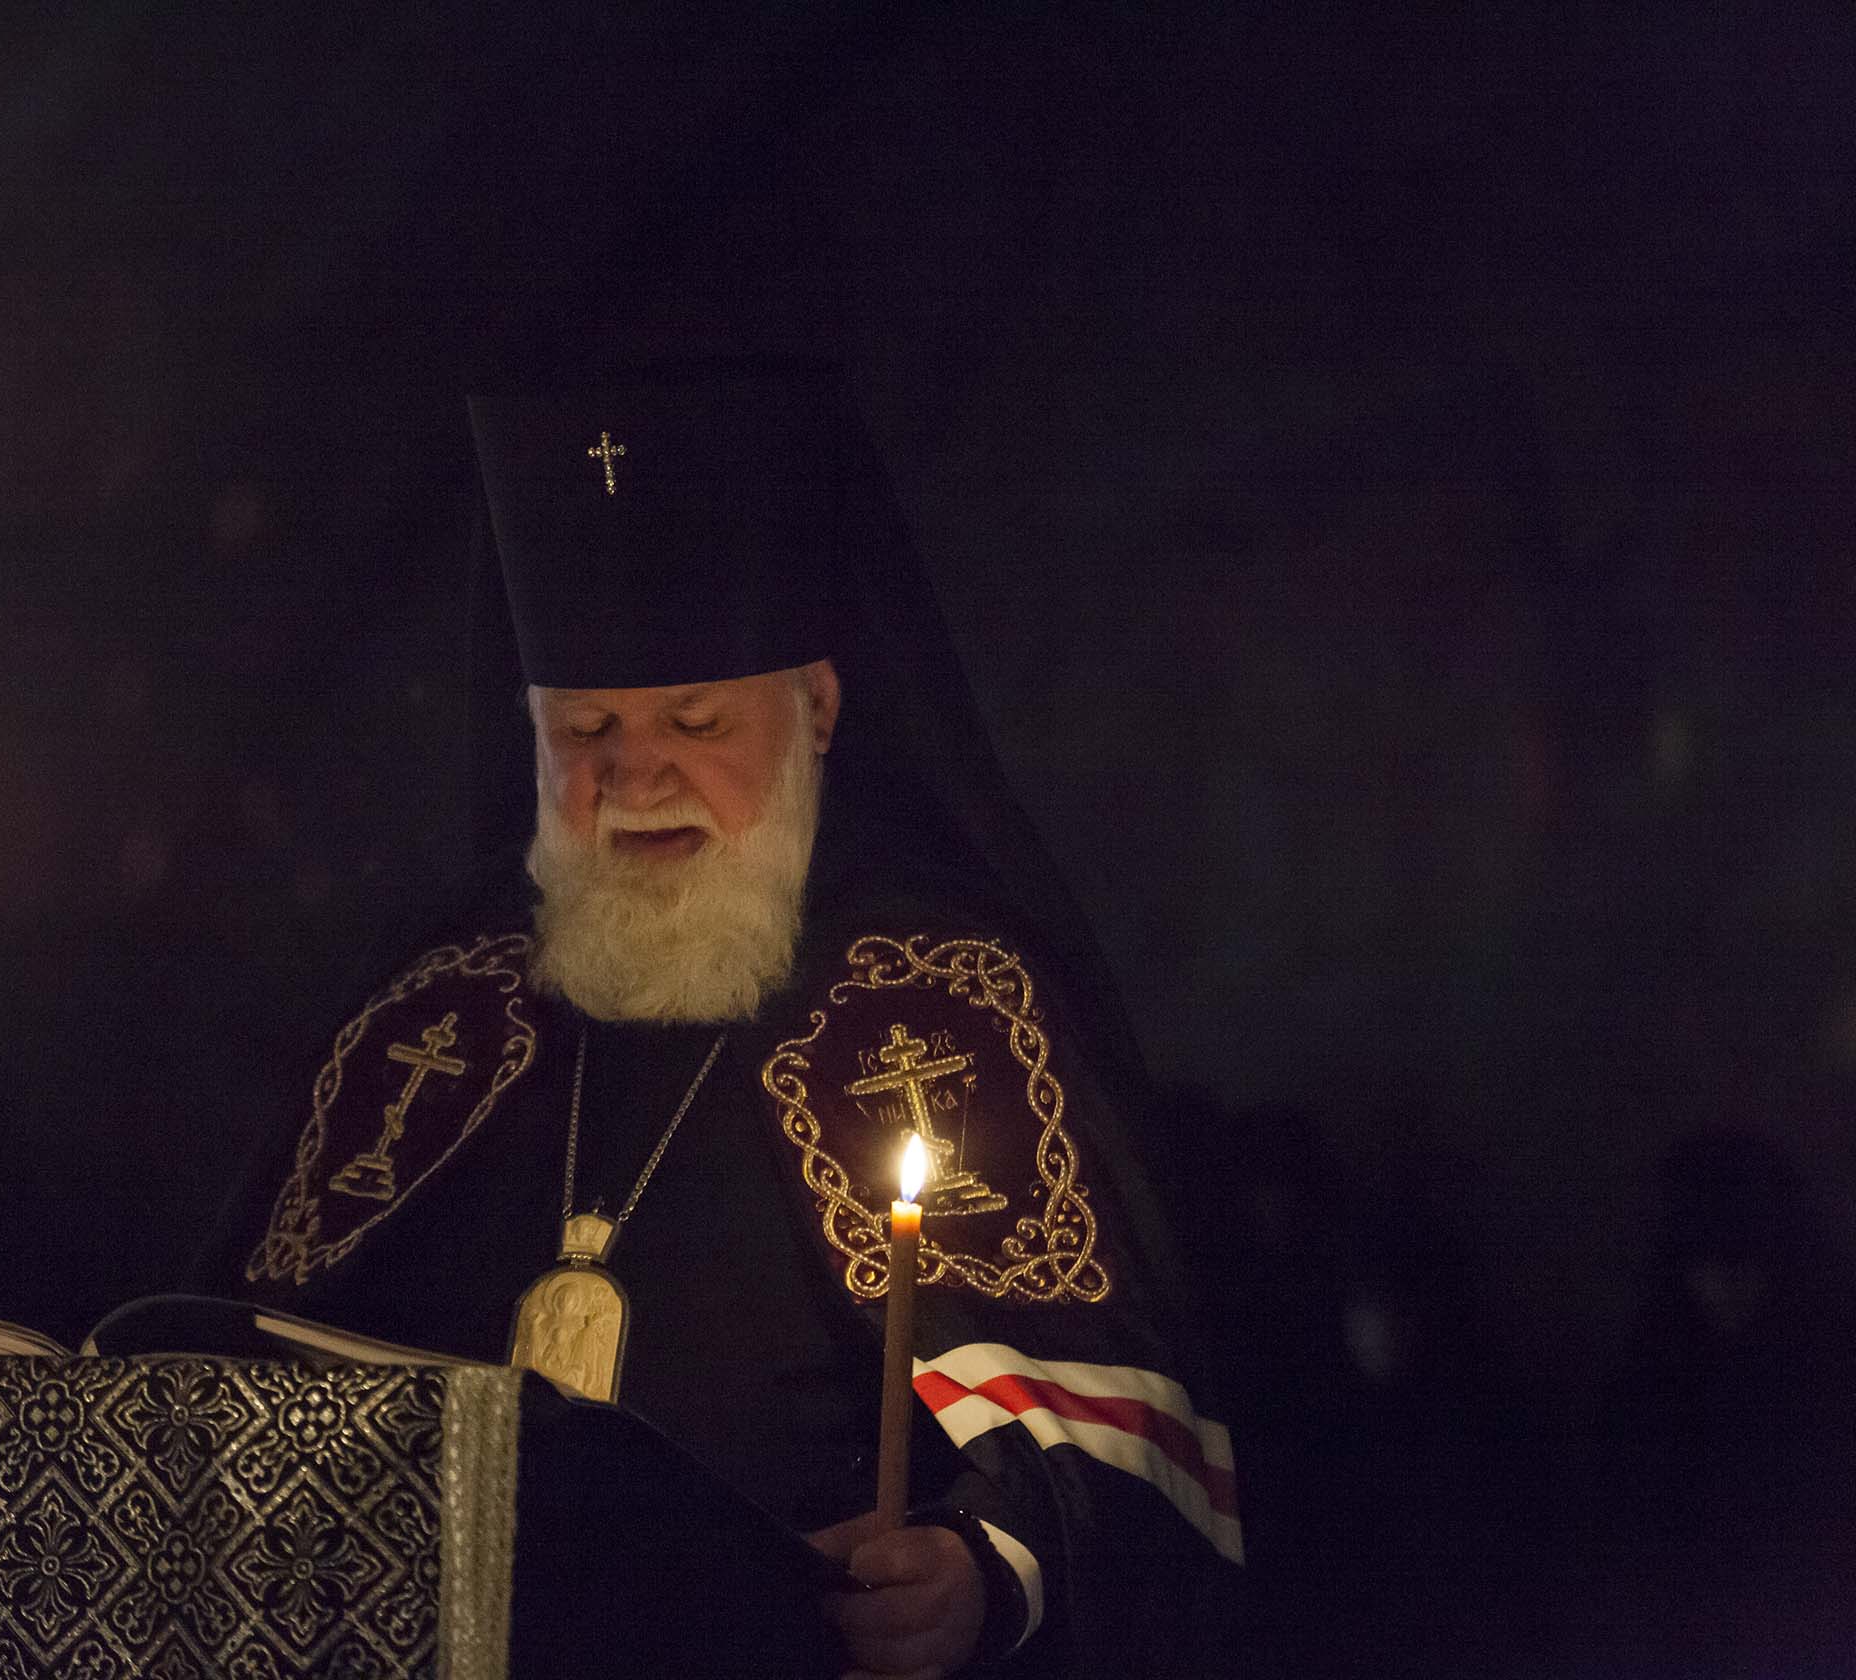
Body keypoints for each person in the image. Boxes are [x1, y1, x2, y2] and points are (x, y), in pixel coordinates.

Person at [218, 364, 1239, 1677]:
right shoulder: (439, 997)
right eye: (581, 729)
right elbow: (221, 1364)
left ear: (815, 709)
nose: (632, 774)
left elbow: (1117, 1440)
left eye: (694, 723)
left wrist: (979, 1571)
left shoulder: (943, 996)